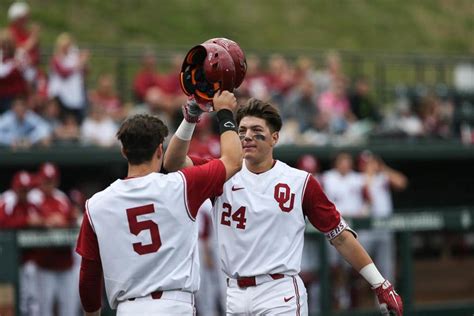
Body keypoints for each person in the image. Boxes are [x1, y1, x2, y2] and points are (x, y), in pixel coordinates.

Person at [164, 98, 403, 316]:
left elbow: (339, 235)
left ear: (275, 138)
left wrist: (380, 283)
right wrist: (190, 118)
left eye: (257, 131)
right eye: (242, 131)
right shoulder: (222, 172)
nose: (247, 136)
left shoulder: (300, 181)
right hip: (235, 293)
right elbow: (172, 163)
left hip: (279, 292)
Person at [75, 90, 242, 315]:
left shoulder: (96, 205)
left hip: (128, 308)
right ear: (159, 150)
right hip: (173, 304)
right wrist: (225, 114)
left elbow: (88, 276)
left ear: (124, 151)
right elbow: (233, 161)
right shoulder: (181, 185)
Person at [28, 162, 78, 316]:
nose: (48, 184)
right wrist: (46, 221)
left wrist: (61, 221)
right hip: (44, 264)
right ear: (40, 179)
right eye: (45, 180)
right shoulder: (33, 197)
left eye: (51, 180)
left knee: (69, 309)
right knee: (44, 309)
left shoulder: (61, 198)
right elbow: (30, 220)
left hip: (65, 263)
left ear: (56, 181)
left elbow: (73, 219)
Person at [0, 171, 42, 316]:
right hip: (9, 261)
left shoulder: (32, 203)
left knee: (33, 300)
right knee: (13, 302)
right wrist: (26, 222)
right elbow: (3, 224)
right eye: (22, 189)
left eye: (27, 189)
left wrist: (41, 222)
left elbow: (41, 220)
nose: (25, 193)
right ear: (15, 188)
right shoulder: (7, 201)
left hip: (28, 260)